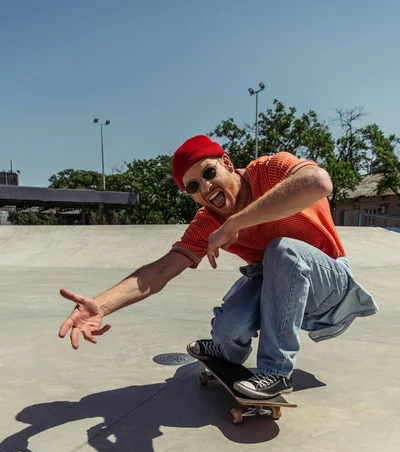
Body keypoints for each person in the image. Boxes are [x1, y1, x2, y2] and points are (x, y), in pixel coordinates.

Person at [59, 135, 378, 401]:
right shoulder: (207, 223)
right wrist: (100, 305)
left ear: (227, 163)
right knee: (230, 325)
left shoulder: (270, 170)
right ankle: (226, 348)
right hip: (276, 289)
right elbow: (160, 271)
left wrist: (238, 222)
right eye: (193, 186)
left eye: (209, 173)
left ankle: (275, 372)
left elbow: (319, 183)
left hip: (329, 286)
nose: (205, 189)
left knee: (282, 250)